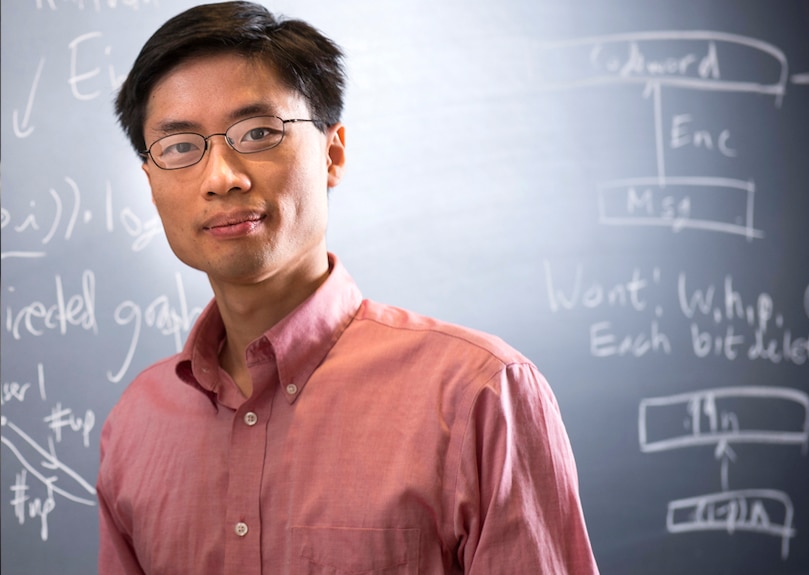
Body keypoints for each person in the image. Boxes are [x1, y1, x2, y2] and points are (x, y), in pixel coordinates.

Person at [96, 2, 599, 573]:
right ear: (151, 182)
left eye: (258, 133)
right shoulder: (136, 425)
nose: (221, 178)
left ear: (333, 153)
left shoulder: (478, 396)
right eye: (181, 147)